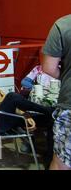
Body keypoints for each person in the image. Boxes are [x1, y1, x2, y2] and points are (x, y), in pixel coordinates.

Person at [0, 51, 54, 164]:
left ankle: (50, 159)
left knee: (50, 120)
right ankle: (48, 110)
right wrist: (3, 99)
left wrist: (24, 114)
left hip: (5, 118)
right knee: (11, 96)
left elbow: (5, 103)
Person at [42, 14, 71, 170]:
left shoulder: (63, 25)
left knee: (61, 164)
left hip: (69, 103)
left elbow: (48, 67)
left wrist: (66, 75)